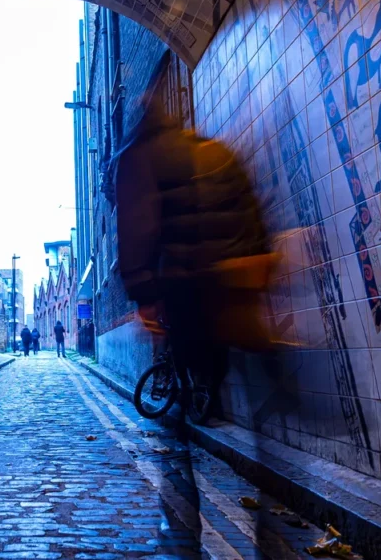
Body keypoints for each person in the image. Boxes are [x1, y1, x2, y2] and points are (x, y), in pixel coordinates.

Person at [114, 74, 283, 555]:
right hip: (232, 293)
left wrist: (144, 292)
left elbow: (138, 230)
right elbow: (252, 213)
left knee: (183, 411)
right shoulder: (215, 151)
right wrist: (256, 270)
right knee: (256, 394)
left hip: (186, 296)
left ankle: (182, 535)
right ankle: (271, 522)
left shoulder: (140, 159)